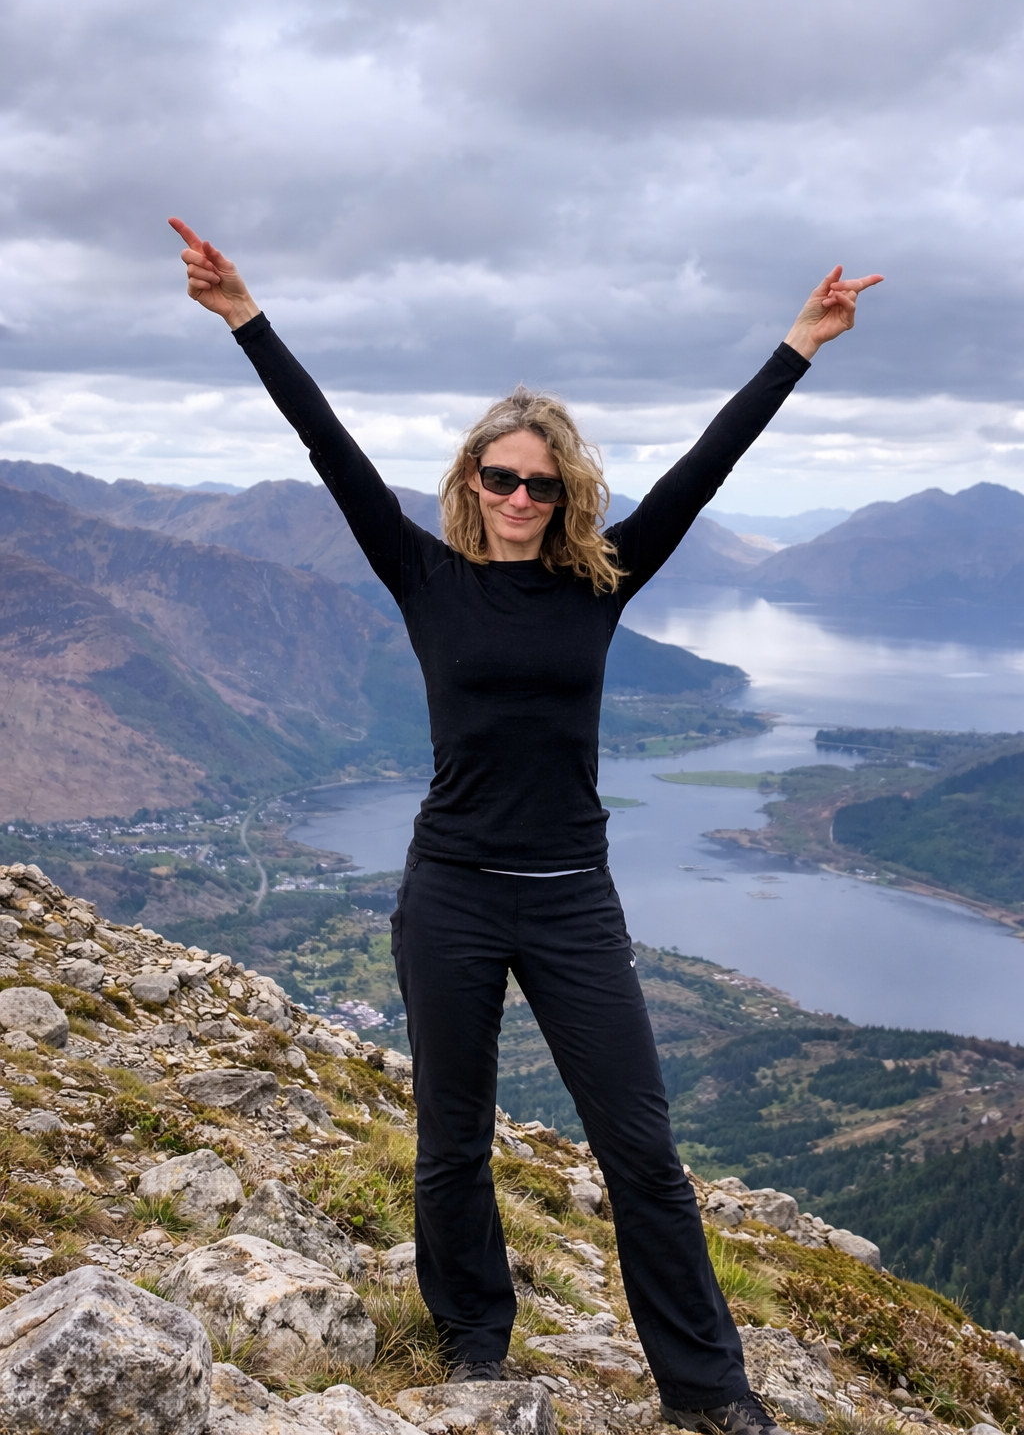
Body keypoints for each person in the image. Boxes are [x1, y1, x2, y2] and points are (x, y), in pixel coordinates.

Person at [170, 216, 881, 1434]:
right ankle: (474, 1354)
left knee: (642, 1153)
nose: (517, 496)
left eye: (540, 484)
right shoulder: (422, 576)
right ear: (471, 484)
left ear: (566, 497)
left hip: (569, 896)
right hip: (448, 890)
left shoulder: (598, 583)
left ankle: (709, 1392)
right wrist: (247, 317)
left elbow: (705, 470)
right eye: (498, 478)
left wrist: (796, 347)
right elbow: (325, 444)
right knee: (451, 1143)